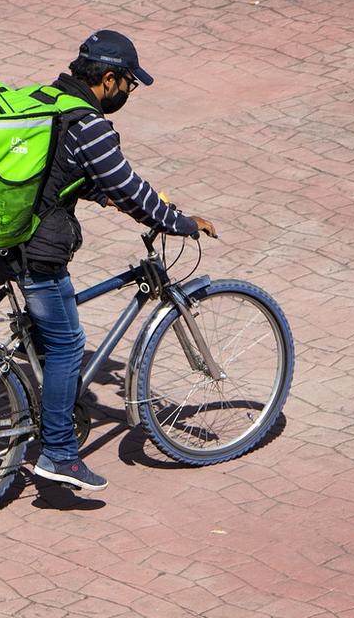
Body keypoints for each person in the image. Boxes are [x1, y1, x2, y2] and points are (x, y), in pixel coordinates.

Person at [21, 30, 216, 492]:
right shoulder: (90, 125)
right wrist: (179, 222)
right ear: (108, 79)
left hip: (5, 238)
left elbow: (52, 171)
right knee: (69, 344)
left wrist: (99, 196)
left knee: (48, 341)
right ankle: (60, 456)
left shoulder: (46, 98)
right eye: (128, 84)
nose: (129, 93)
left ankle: (37, 403)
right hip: (37, 251)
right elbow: (132, 189)